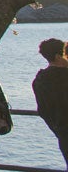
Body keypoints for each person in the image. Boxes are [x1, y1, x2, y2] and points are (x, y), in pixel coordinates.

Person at [33, 37, 68, 168]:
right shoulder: (64, 77)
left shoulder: (39, 81)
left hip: (62, 133)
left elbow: (43, 111)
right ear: (59, 56)